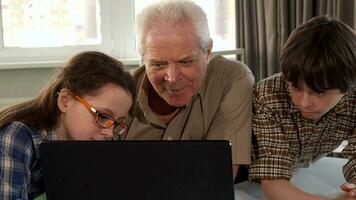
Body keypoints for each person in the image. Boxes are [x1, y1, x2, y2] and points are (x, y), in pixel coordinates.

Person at [120, 0, 255, 180]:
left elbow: (216, 177)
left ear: (207, 52)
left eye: (185, 62)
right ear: (143, 60)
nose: (172, 78)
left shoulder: (231, 79)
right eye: (158, 64)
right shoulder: (120, 88)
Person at [0, 51, 136, 200]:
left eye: (117, 123)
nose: (109, 133)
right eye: (102, 116)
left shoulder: (80, 146)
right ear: (65, 101)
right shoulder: (16, 136)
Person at [249, 16, 356, 200]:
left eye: (319, 92)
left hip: (297, 172)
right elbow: (273, 184)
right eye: (295, 87)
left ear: (347, 87)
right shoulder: (268, 94)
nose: (304, 102)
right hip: (240, 177)